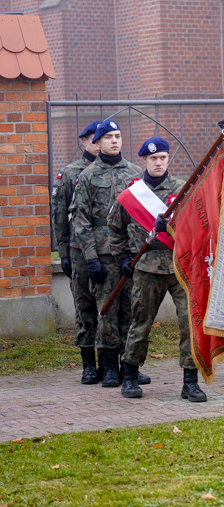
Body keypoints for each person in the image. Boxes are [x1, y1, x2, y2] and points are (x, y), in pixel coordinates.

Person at [108, 137, 207, 402]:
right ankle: (129, 376)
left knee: (190, 323)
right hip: (146, 268)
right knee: (141, 323)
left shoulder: (182, 189)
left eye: (163, 157)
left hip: (179, 267)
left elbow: (197, 226)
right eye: (154, 158)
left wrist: (173, 228)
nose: (159, 162)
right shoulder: (133, 192)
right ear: (145, 160)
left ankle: (190, 382)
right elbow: (114, 227)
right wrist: (123, 259)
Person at [69, 120, 143, 388]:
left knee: (131, 309)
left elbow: (142, 216)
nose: (115, 141)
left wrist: (136, 251)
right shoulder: (87, 176)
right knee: (107, 309)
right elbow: (81, 220)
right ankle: (109, 366)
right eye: (109, 137)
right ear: (97, 143)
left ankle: (129, 365)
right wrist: (90, 256)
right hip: (102, 253)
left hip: (130, 252)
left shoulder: (135, 173)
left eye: (118, 136)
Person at [51, 120, 101, 383]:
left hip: (108, 250)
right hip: (79, 251)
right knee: (84, 307)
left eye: (100, 138)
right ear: (82, 142)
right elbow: (60, 217)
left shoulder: (116, 170)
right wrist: (64, 254)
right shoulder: (70, 174)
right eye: (92, 139)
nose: (97, 143)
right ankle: (88, 364)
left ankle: (112, 363)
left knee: (113, 308)